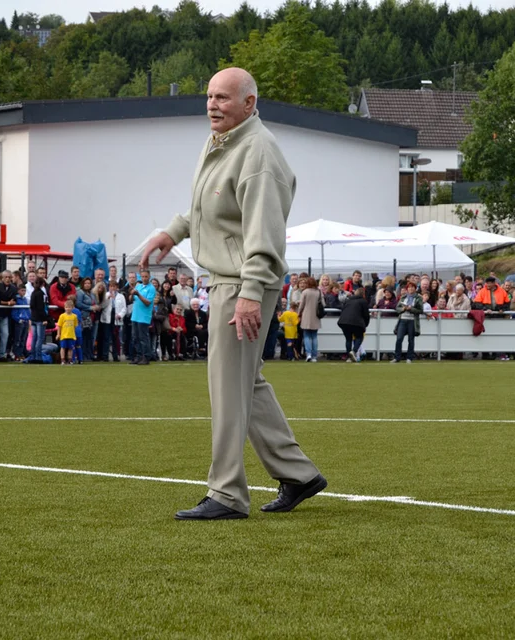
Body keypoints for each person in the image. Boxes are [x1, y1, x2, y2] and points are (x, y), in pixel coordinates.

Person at [139, 67, 325, 520]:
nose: (212, 105)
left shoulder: (258, 155)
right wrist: (174, 231)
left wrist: (250, 291)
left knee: (227, 389)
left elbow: (265, 233)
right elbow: (207, 204)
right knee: (246, 382)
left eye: (223, 98)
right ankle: (297, 473)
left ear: (250, 104)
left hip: (242, 284)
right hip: (231, 281)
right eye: (209, 96)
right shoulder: (222, 141)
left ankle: (226, 494)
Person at [129, 269, 156, 365]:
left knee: (143, 338)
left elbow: (148, 303)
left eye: (146, 276)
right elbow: (131, 299)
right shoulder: (138, 286)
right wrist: (132, 294)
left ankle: (146, 357)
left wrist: (138, 294)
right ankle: (139, 356)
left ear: (149, 277)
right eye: (143, 276)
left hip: (144, 317)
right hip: (135, 315)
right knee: (135, 337)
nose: (144, 278)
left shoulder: (151, 288)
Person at [337, 287, 369, 362]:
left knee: (348, 339)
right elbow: (366, 315)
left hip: (343, 321)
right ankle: (353, 352)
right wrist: (365, 324)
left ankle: (349, 357)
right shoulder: (363, 301)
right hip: (356, 322)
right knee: (359, 337)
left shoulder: (348, 300)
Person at [394, 281, 422, 364]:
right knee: (399, 338)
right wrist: (403, 309)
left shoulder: (418, 298)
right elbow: (397, 308)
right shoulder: (403, 297)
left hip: (412, 321)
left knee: (411, 339)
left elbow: (420, 310)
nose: (411, 289)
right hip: (402, 320)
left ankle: (409, 357)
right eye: (409, 287)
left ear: (415, 288)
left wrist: (411, 309)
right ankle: (397, 357)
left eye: (412, 287)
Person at [296, 276, 321, 362]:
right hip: (316, 316)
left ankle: (308, 354)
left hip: (306, 316)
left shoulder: (305, 292)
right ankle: (314, 355)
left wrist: (298, 313)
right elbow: (323, 304)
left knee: (306, 336)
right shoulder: (319, 292)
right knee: (314, 336)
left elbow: (301, 305)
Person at [29, 272, 49, 363]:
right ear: (42, 284)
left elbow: (32, 305)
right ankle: (38, 357)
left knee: (34, 338)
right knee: (40, 338)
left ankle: (32, 356)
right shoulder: (40, 293)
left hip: (33, 317)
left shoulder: (33, 293)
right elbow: (41, 308)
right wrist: (45, 318)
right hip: (40, 319)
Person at [57, 299, 79, 365]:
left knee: (70, 348)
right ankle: (63, 360)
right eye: (66, 307)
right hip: (64, 335)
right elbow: (59, 326)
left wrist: (74, 334)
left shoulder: (74, 316)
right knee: (63, 347)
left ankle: (70, 359)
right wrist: (58, 334)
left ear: (72, 307)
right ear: (64, 308)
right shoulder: (62, 316)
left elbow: (75, 326)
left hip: (71, 335)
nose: (68, 309)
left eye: (69, 307)